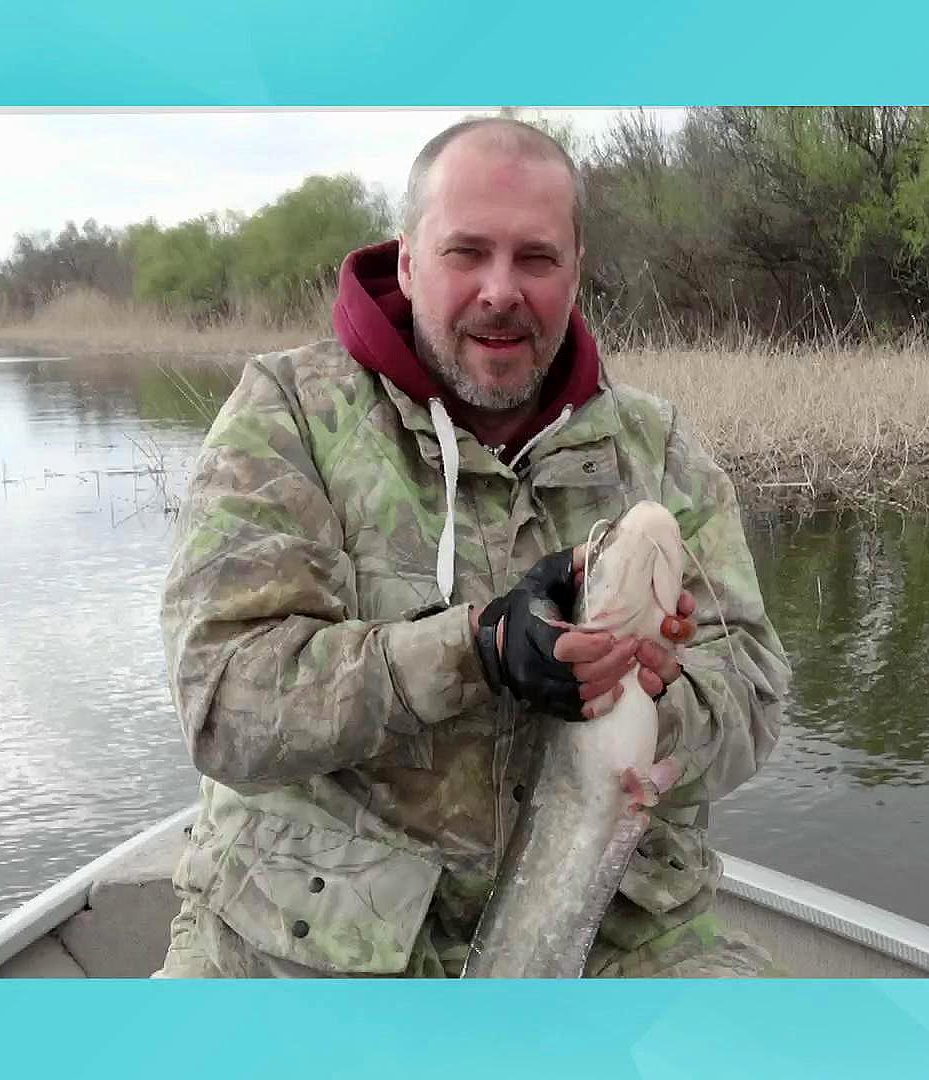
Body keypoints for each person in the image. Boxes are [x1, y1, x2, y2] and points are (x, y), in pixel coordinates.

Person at [153, 116, 791, 978]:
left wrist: (651, 702)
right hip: (312, 945)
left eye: (536, 258)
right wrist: (476, 649)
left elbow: (752, 687)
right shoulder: (290, 413)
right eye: (467, 253)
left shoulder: (658, 449)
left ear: (575, 272)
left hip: (614, 933)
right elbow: (225, 706)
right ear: (409, 261)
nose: (502, 290)